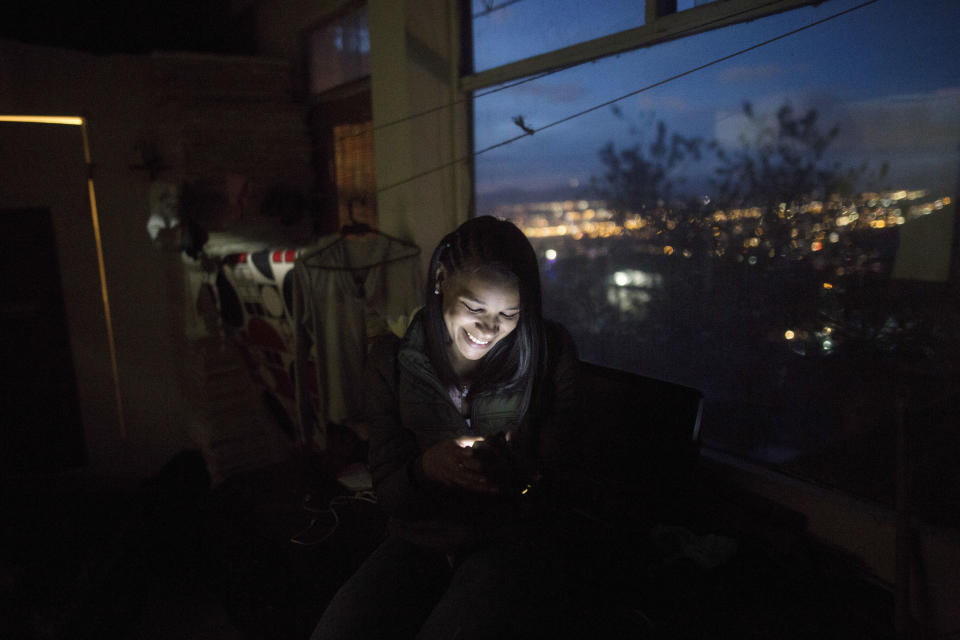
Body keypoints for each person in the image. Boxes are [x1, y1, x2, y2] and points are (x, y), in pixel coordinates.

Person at [311, 216, 582, 640]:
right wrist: (426, 469)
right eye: (475, 308)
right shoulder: (391, 364)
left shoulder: (549, 355)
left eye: (509, 313)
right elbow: (389, 491)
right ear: (440, 279)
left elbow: (564, 481)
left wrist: (519, 475)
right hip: (420, 537)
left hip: (506, 540)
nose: (489, 330)